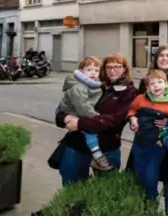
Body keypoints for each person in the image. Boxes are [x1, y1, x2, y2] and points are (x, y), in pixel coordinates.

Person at [55, 53, 137, 186]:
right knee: (72, 188)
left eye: (117, 66)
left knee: (105, 191)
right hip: (77, 145)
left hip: (107, 148)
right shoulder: (94, 84)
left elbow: (115, 120)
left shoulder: (130, 92)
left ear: (125, 69)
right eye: (109, 67)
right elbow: (62, 110)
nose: (112, 70)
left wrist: (80, 123)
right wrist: (65, 117)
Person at [126, 44, 168, 199]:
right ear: (155, 59)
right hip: (145, 139)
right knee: (144, 179)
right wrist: (133, 120)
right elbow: (137, 106)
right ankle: (148, 211)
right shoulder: (145, 81)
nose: (164, 58)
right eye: (161, 55)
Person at [127, 69, 168, 200]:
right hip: (139, 143)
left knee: (151, 176)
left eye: (159, 82)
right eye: (152, 83)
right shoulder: (140, 99)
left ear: (166, 84)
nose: (156, 85)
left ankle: (151, 200)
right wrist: (133, 119)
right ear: (147, 88)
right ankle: (142, 203)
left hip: (157, 145)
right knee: (139, 174)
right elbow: (132, 110)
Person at [57, 56, 112, 171]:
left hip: (79, 112)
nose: (93, 73)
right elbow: (82, 108)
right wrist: (97, 117)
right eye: (89, 69)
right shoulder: (79, 87)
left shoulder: (94, 84)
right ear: (81, 71)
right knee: (90, 133)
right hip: (73, 112)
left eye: (96, 70)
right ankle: (97, 157)